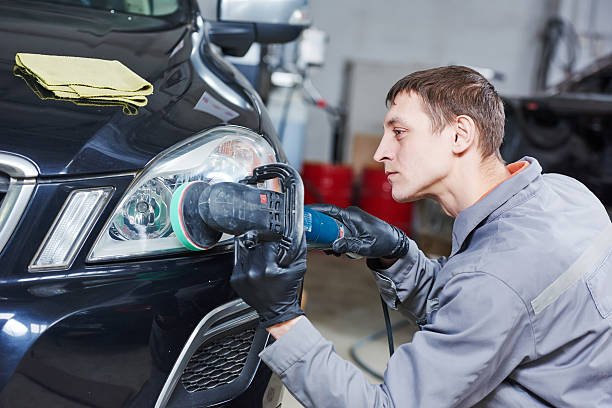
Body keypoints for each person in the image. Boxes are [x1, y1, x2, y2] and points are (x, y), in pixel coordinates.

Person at [230, 65, 612, 407]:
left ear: (460, 135)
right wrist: (398, 255)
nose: (381, 152)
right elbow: (480, 311)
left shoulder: (496, 277)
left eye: (399, 132)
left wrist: (283, 320)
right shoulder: (565, 193)